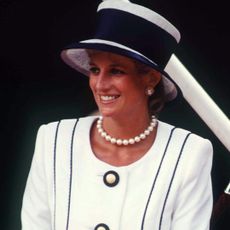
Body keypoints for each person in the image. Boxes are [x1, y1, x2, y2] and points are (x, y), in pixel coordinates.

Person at [21, 0, 213, 229]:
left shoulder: (189, 154)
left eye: (116, 71)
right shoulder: (52, 140)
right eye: (94, 69)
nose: (100, 85)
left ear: (150, 78)